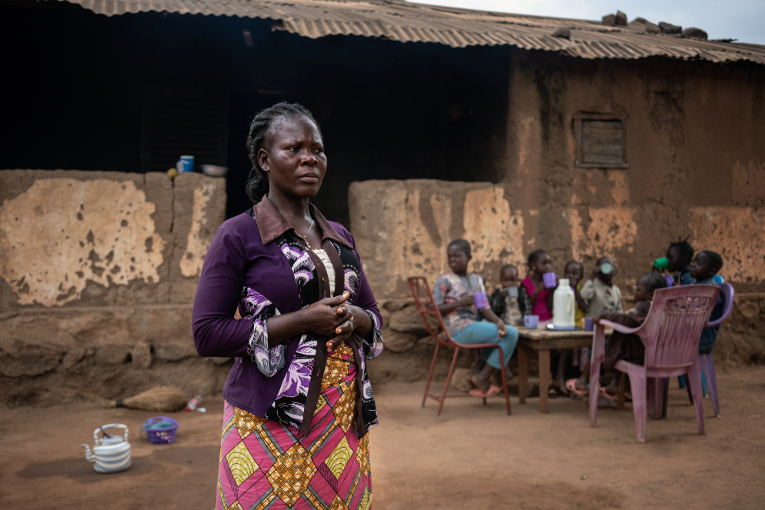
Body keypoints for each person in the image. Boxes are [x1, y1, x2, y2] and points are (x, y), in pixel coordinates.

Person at [192, 103, 383, 510]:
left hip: (340, 417)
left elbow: (374, 315)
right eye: (293, 148)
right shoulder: (239, 235)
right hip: (268, 419)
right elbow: (207, 333)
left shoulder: (340, 238)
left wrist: (357, 319)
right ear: (264, 160)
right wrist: (300, 321)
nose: (309, 157)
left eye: (317, 149)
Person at [433, 239, 519, 397]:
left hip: (472, 326)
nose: (452, 259)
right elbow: (435, 308)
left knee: (503, 333)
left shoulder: (476, 280)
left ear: (469, 257)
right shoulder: (444, 280)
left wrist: (499, 322)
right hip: (456, 329)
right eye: (449, 256)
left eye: (457, 256)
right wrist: (459, 303)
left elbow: (483, 307)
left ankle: (475, 372)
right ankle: (482, 376)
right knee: (511, 334)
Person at [591, 273, 668, 399]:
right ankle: (617, 382)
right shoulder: (664, 307)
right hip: (662, 355)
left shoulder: (644, 304)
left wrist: (605, 315)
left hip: (643, 356)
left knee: (624, 332)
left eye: (638, 289)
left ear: (650, 295)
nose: (635, 292)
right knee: (631, 336)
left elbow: (628, 321)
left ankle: (615, 382)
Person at [567, 256, 623, 395]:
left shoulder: (616, 290)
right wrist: (592, 277)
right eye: (602, 266)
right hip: (593, 329)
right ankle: (586, 382)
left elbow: (619, 311)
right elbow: (585, 294)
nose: (606, 269)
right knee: (588, 353)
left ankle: (596, 382)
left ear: (615, 271)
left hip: (609, 331)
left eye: (610, 266)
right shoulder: (594, 284)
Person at [687, 250, 725, 354]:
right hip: (691, 336)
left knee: (666, 343)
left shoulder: (709, 291)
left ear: (711, 271)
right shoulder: (696, 285)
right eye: (693, 261)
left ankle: (684, 370)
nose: (693, 265)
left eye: (698, 263)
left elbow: (694, 315)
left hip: (703, 339)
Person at [520, 249, 554, 323]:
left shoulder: (548, 282)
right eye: (544, 263)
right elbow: (525, 307)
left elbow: (550, 307)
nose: (548, 266)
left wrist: (552, 291)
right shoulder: (525, 283)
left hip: (549, 320)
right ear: (533, 265)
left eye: (549, 263)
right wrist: (537, 291)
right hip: (532, 322)